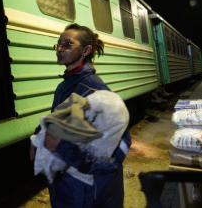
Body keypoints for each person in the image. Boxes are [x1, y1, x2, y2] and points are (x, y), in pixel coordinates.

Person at [30, 23, 132, 208]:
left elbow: (122, 144)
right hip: (69, 189)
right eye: (58, 44)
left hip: (88, 193)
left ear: (86, 50)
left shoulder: (93, 89)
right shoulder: (66, 85)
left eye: (67, 44)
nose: (60, 49)